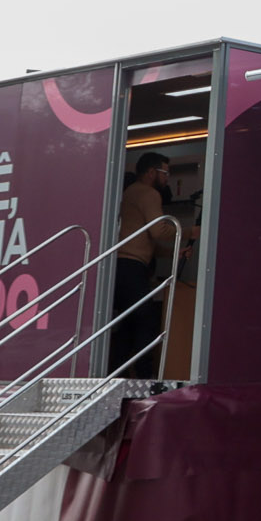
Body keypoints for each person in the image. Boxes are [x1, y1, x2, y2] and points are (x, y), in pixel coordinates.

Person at [110, 152, 179, 379]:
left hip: (120, 267)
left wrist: (173, 253)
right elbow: (158, 231)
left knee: (128, 323)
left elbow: (143, 240)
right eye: (165, 173)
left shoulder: (130, 192)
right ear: (151, 172)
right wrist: (187, 231)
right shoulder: (149, 194)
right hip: (133, 269)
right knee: (146, 322)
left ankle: (115, 373)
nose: (167, 178)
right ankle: (144, 377)